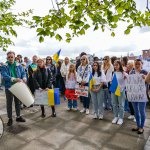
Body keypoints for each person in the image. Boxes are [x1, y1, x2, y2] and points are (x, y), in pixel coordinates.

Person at [1, 51, 26, 126]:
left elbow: (23, 73)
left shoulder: (19, 65)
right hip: (9, 87)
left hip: (18, 86)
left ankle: (18, 116)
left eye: (12, 57)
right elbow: (4, 76)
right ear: (7, 58)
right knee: (9, 103)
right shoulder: (4, 66)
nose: (10, 58)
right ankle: (10, 118)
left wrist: (24, 78)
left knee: (17, 102)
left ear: (14, 57)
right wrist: (14, 79)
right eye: (9, 57)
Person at [130, 59, 148, 134]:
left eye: (138, 64)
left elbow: (148, 82)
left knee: (142, 111)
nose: (137, 65)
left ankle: (142, 127)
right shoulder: (132, 72)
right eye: (136, 64)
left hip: (142, 95)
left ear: (141, 64)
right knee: (136, 111)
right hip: (134, 94)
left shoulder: (145, 72)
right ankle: (138, 125)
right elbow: (129, 83)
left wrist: (145, 78)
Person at [111, 60, 127, 125]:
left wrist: (122, 87)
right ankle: (115, 116)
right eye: (114, 65)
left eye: (117, 65)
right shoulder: (114, 73)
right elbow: (112, 81)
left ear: (120, 65)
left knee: (121, 105)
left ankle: (121, 118)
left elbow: (127, 81)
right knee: (114, 104)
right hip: (114, 90)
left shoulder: (123, 73)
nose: (115, 66)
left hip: (121, 90)